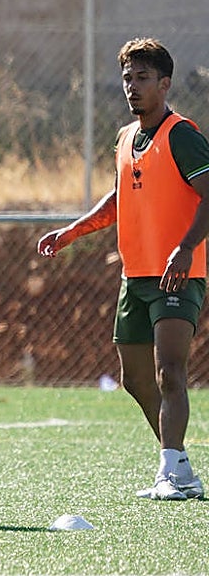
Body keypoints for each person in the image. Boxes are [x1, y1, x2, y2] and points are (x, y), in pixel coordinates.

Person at [38, 37, 209, 501]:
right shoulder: (125, 137)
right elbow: (120, 199)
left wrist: (185, 248)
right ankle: (180, 466)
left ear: (165, 83)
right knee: (134, 378)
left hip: (178, 275)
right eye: (128, 78)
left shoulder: (182, 135)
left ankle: (170, 469)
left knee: (169, 371)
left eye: (143, 78)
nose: (132, 86)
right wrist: (71, 231)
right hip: (135, 277)